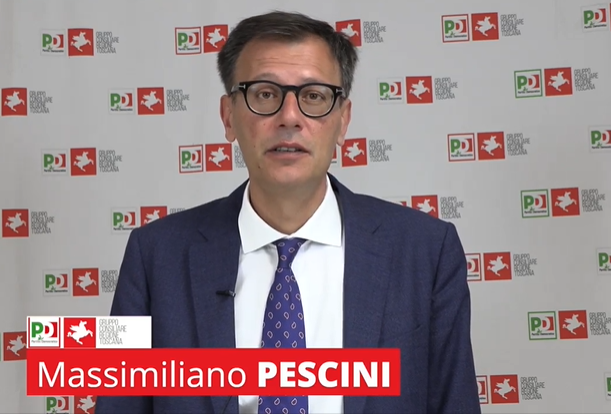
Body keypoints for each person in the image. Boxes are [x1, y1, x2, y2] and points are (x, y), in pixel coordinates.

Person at [95, 10, 480, 414]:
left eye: (313, 96)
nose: (290, 117)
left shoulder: (426, 251)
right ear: (228, 117)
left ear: (343, 120)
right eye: (264, 94)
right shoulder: (154, 256)